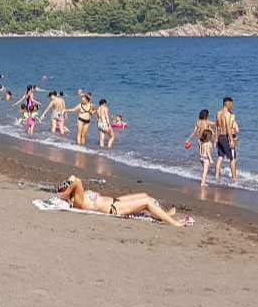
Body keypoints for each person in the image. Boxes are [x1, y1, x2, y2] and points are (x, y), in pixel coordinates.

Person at [56, 176, 191, 227]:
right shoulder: (76, 202)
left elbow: (74, 181)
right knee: (147, 201)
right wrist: (64, 192)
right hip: (115, 209)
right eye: (68, 185)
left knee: (145, 195)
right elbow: (77, 181)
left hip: (116, 201)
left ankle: (163, 214)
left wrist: (68, 182)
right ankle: (173, 223)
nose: (69, 183)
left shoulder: (79, 196)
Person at [215, 97, 239, 184]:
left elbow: (217, 126)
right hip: (226, 137)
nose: (232, 106)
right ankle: (234, 179)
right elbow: (228, 128)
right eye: (231, 104)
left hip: (220, 137)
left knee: (220, 157)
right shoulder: (227, 114)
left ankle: (216, 176)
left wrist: (216, 139)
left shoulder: (218, 113)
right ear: (227, 103)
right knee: (233, 158)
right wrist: (231, 140)